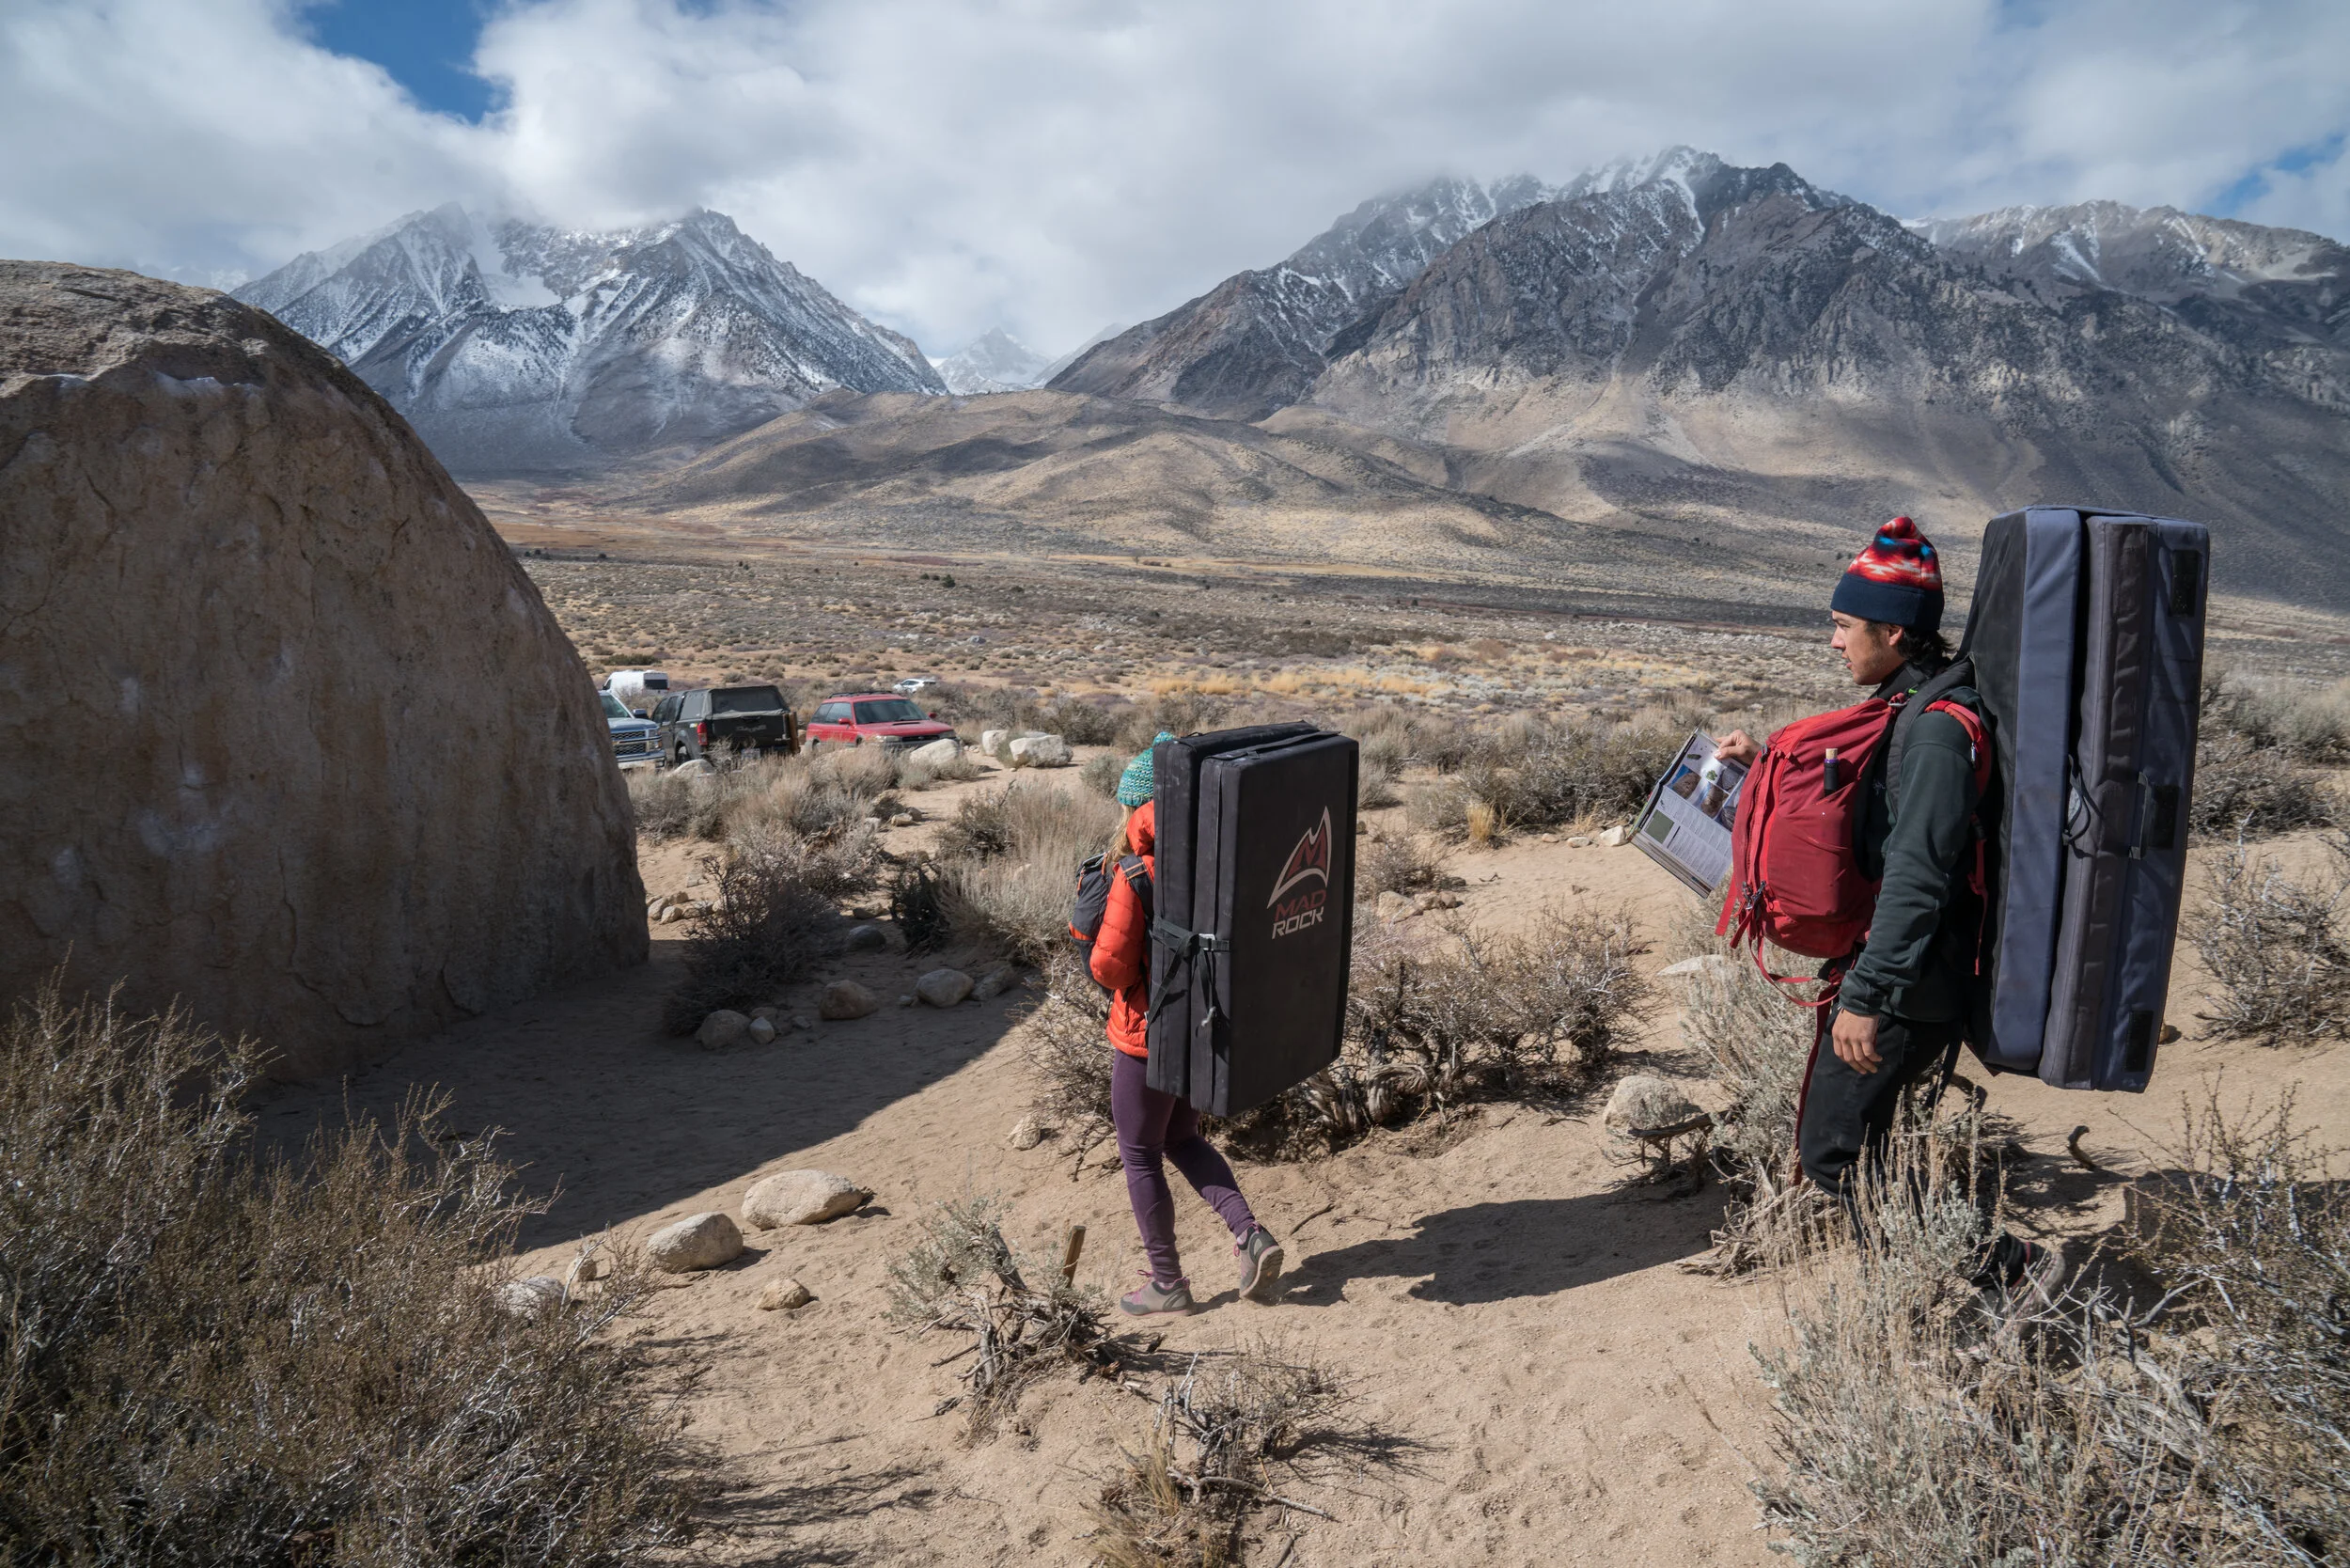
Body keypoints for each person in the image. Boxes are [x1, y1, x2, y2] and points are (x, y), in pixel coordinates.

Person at [1716, 516, 2063, 1301]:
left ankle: (2012, 1274)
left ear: (1896, 633)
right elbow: (1872, 812)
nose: (1835, 642)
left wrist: (1868, 997)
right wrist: (1764, 764)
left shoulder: (1937, 733)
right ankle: (1932, 1274)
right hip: (1899, 967)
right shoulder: (1912, 707)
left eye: (1844, 626)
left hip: (1910, 980)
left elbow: (1918, 877)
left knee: (1835, 1151)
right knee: (1854, 1141)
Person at [1089, 737, 1284, 1315]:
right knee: (1181, 1138)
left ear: (1137, 808)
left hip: (1147, 1034)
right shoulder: (1216, 858)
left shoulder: (1136, 868)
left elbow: (1110, 965)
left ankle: (1167, 1282)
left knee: (1140, 1152)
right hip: (1204, 1027)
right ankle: (1251, 1235)